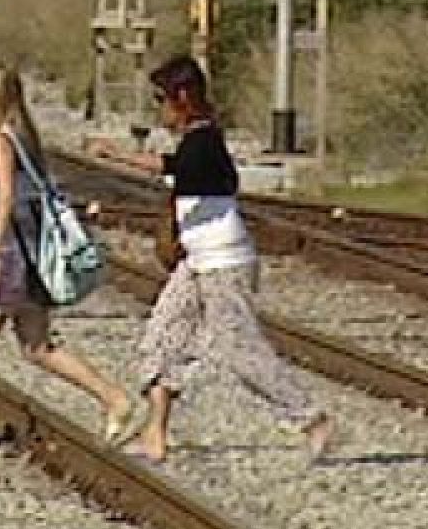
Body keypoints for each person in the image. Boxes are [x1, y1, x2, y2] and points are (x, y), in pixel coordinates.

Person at [86, 55, 337, 463]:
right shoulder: (198, 140)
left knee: (240, 350)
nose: (160, 109)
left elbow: (179, 171)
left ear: (183, 97)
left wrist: (117, 155)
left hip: (224, 262)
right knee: (162, 337)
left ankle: (311, 419)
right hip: (198, 261)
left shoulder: (204, 141)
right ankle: (155, 434)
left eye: (162, 99)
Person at [0, 63, 137, 455]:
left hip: (5, 255)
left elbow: (5, 196)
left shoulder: (0, 141)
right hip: (24, 254)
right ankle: (115, 399)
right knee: (37, 346)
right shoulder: (18, 137)